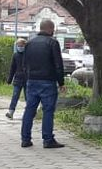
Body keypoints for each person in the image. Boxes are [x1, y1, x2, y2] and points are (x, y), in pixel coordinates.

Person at [20, 19, 65, 149]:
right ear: (50, 29)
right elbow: (58, 64)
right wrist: (61, 82)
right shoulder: (53, 43)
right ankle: (48, 139)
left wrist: (28, 78)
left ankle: (25, 139)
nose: (54, 31)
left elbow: (24, 64)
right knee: (48, 111)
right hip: (48, 81)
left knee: (29, 110)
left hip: (32, 81)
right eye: (53, 29)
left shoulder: (29, 43)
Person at [6, 38, 27, 119]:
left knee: (28, 97)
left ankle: (30, 112)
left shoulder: (28, 55)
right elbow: (12, 68)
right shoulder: (15, 55)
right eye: (18, 46)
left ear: (25, 45)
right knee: (15, 96)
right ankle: (11, 112)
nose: (20, 47)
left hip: (27, 79)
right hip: (18, 79)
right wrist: (9, 79)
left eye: (21, 46)